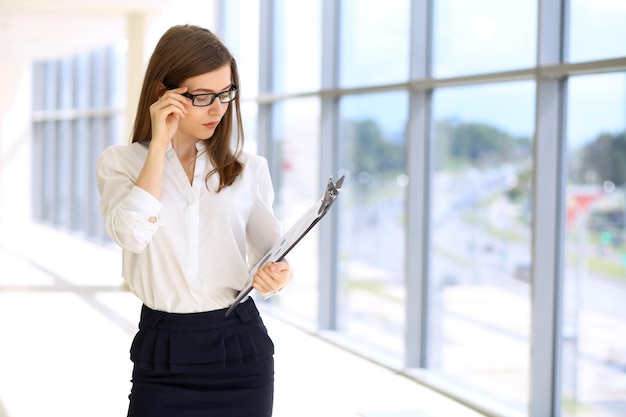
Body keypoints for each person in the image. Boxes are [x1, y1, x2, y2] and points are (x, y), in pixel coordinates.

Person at [96, 24, 291, 417]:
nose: (218, 109)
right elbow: (132, 235)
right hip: (163, 346)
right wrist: (159, 146)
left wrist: (279, 275)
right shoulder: (121, 162)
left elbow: (274, 254)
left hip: (240, 348)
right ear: (162, 94)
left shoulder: (248, 169)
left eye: (225, 93)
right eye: (202, 97)